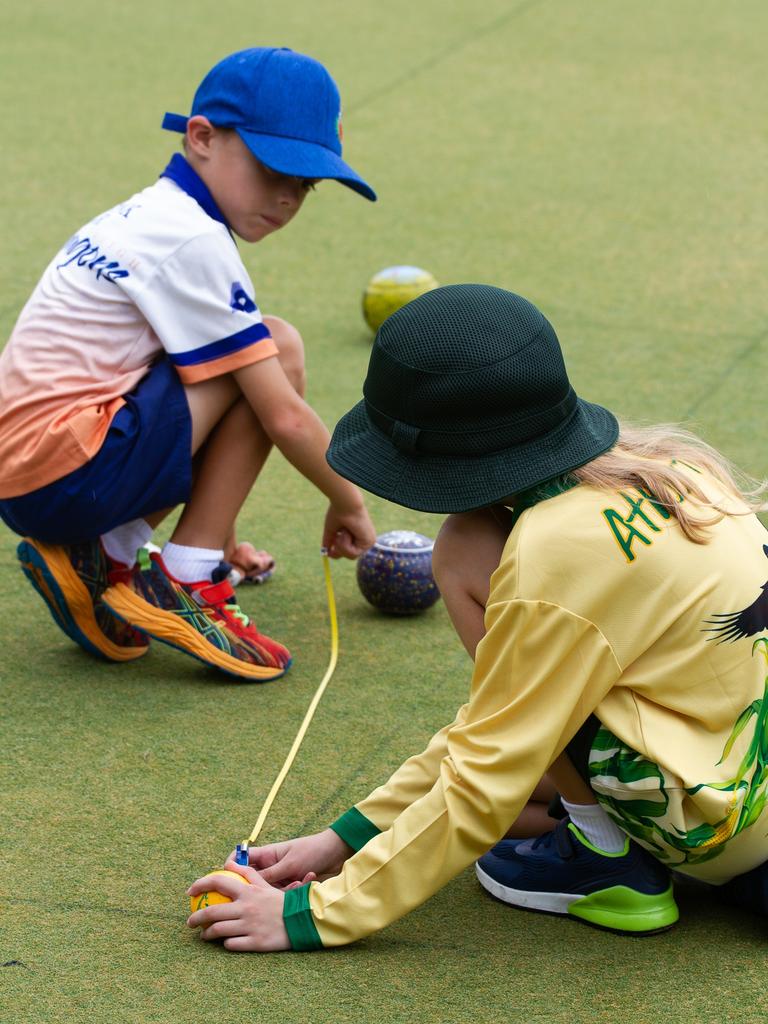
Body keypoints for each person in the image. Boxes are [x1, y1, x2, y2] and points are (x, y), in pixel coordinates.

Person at [186, 283, 768, 949]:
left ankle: (605, 859)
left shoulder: (552, 549)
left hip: (713, 827)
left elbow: (490, 763)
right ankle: (607, 832)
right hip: (743, 785)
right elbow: (493, 735)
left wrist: (312, 914)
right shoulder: (670, 465)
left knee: (472, 577)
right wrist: (340, 839)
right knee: (521, 778)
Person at [0, 47, 377, 682]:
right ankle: (185, 575)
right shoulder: (193, 238)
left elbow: (176, 381)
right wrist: (349, 502)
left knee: (245, 352)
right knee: (274, 350)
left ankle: (103, 555)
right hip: (65, 474)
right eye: (272, 169)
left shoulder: (152, 214)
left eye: (304, 185)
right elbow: (281, 416)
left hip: (33, 471)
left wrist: (226, 534)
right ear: (201, 136)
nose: (287, 198)